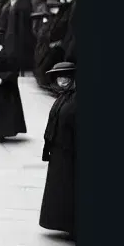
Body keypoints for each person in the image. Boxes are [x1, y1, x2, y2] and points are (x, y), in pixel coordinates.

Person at [39, 61, 76, 236]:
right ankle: (64, 222)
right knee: (60, 188)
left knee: (69, 187)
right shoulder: (64, 96)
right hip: (60, 150)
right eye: (59, 77)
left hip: (71, 152)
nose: (61, 80)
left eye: (65, 77)